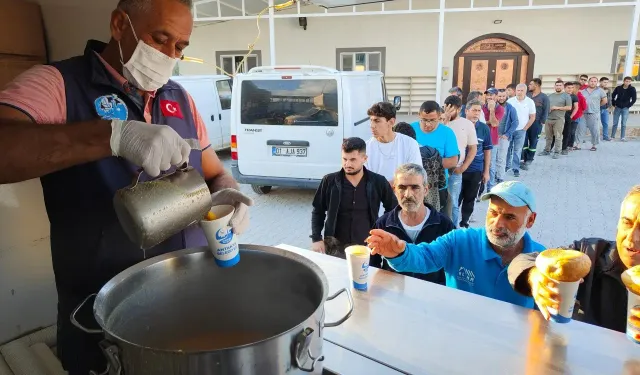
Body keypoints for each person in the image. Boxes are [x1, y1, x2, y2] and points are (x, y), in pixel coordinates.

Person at [0, 0, 253, 373]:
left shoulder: (179, 97)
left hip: (190, 302)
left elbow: (215, 171)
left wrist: (229, 192)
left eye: (180, 46)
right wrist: (111, 136)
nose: (169, 54)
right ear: (120, 24)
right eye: (160, 37)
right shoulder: (59, 84)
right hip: (103, 311)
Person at [366, 181, 545, 307]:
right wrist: (399, 253)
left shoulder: (543, 261)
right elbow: (425, 257)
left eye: (509, 217)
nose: (497, 224)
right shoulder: (460, 240)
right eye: (493, 212)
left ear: (530, 220)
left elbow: (546, 318)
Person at [508, 185, 640, 333]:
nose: (632, 238)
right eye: (627, 223)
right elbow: (522, 261)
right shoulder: (590, 253)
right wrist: (534, 276)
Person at [370, 163, 455, 285]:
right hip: (395, 296)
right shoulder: (383, 224)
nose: (408, 194)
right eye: (402, 188)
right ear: (394, 190)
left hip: (433, 297)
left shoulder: (444, 225)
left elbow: (454, 265)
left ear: (426, 190)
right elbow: (372, 264)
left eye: (415, 187)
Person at [311, 137, 396, 259]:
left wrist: (382, 232)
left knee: (369, 278)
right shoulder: (329, 181)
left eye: (353, 159)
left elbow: (393, 209)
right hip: (336, 248)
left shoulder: (378, 182)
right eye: (344, 159)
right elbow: (318, 211)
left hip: (368, 248)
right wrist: (316, 238)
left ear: (364, 159)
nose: (347, 164)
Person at [411, 101, 460, 213]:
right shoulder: (410, 129)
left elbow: (453, 161)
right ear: (419, 115)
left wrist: (428, 163)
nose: (428, 124)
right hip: (414, 187)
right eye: (424, 119)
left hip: (438, 188)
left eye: (432, 120)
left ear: (439, 117)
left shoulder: (447, 133)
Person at [441, 95, 478, 228]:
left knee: (453, 203)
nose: (448, 112)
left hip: (456, 170)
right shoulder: (438, 122)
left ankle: (454, 230)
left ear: (459, 109)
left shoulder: (466, 124)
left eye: (452, 109)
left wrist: (464, 167)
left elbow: (473, 148)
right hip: (438, 169)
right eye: (446, 108)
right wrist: (443, 121)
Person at [365, 102, 422, 183]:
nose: (372, 125)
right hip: (375, 195)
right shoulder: (366, 147)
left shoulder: (409, 144)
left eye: (377, 121)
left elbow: (415, 175)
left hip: (402, 194)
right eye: (371, 120)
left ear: (391, 122)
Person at [393, 122, 444, 210]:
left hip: (412, 203)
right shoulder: (434, 152)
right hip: (433, 201)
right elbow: (442, 182)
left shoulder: (406, 156)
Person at [459, 100, 492, 228]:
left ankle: (465, 223)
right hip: (458, 169)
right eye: (474, 110)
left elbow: (487, 151)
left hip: (475, 170)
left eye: (479, 110)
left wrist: (486, 171)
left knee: (470, 199)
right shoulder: (458, 125)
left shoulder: (484, 128)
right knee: (455, 199)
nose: (476, 113)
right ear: (466, 111)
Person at [506, 84, 536, 177]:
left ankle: (516, 168)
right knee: (507, 149)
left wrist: (525, 128)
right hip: (509, 130)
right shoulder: (510, 101)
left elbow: (532, 117)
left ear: (525, 91)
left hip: (521, 130)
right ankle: (506, 167)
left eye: (522, 90)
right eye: (518, 90)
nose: (519, 92)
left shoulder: (530, 102)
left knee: (517, 150)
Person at [540, 80, 572, 159]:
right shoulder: (550, 96)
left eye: (560, 85)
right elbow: (546, 106)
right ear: (554, 86)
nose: (558, 87)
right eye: (557, 85)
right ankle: (547, 150)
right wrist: (548, 110)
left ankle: (557, 151)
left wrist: (557, 108)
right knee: (548, 136)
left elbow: (569, 107)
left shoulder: (566, 96)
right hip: (548, 119)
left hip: (559, 119)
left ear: (563, 86)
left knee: (558, 136)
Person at [481, 88, 504, 193]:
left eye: (492, 95)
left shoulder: (500, 109)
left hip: (492, 141)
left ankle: (490, 189)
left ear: (496, 96)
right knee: (480, 163)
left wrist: (491, 110)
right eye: (488, 95)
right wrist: (487, 122)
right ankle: (480, 189)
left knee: (490, 164)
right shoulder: (481, 107)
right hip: (481, 139)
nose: (489, 97)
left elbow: (494, 123)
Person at [522, 78, 549, 170]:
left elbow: (546, 110)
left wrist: (542, 122)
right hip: (525, 122)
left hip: (536, 123)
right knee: (524, 141)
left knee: (533, 141)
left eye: (530, 84)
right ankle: (524, 159)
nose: (528, 86)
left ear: (536, 85)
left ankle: (530, 159)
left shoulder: (544, 97)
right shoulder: (527, 95)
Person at [495, 89, 518, 185]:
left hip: (503, 137)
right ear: (496, 96)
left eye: (503, 96)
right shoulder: (492, 107)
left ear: (506, 96)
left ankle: (500, 176)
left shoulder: (510, 108)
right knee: (491, 158)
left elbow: (515, 122)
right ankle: (492, 175)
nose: (501, 98)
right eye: (499, 96)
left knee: (501, 158)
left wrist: (507, 134)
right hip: (492, 136)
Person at [580, 77, 607, 152]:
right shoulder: (583, 91)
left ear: (597, 82)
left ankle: (594, 145)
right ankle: (578, 144)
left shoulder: (600, 91)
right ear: (588, 82)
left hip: (594, 113)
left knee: (594, 130)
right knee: (580, 129)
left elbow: (604, 101)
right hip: (583, 113)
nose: (593, 82)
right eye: (591, 81)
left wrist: (596, 106)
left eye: (595, 81)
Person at [611, 76, 637, 142]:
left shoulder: (632, 89)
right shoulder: (618, 88)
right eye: (626, 81)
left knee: (624, 123)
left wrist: (628, 106)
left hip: (625, 108)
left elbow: (634, 99)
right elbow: (613, 95)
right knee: (615, 123)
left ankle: (622, 137)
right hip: (617, 107)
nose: (627, 83)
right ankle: (612, 136)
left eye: (629, 81)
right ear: (624, 81)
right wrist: (614, 104)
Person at [599, 77, 612, 141]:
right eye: (604, 82)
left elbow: (610, 99)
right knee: (597, 124)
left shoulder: (608, 90)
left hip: (605, 109)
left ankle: (605, 136)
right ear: (600, 82)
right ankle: (596, 137)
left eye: (607, 82)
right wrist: (604, 92)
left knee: (605, 123)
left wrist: (609, 107)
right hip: (598, 109)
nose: (606, 84)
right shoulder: (596, 89)